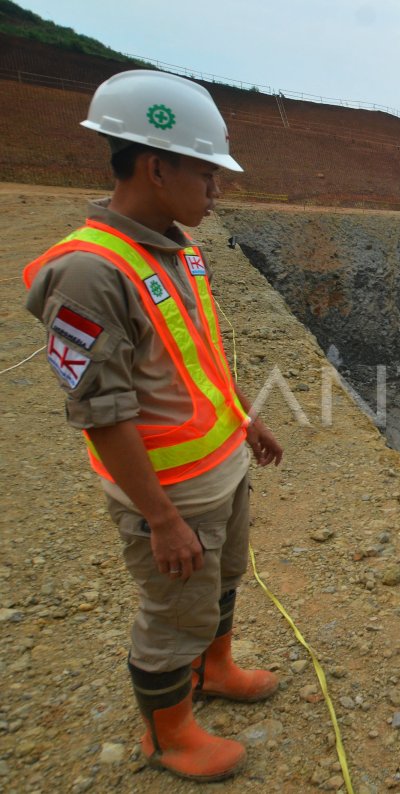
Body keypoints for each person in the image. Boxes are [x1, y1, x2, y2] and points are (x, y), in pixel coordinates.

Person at [23, 70, 283, 782]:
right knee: (172, 610)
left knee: (222, 579)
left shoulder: (178, 247)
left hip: (219, 470)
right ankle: (167, 737)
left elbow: (195, 357)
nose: (216, 189)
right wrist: (160, 517)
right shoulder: (88, 274)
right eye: (206, 172)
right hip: (169, 493)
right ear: (155, 165)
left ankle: (216, 668)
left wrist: (244, 420)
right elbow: (99, 412)